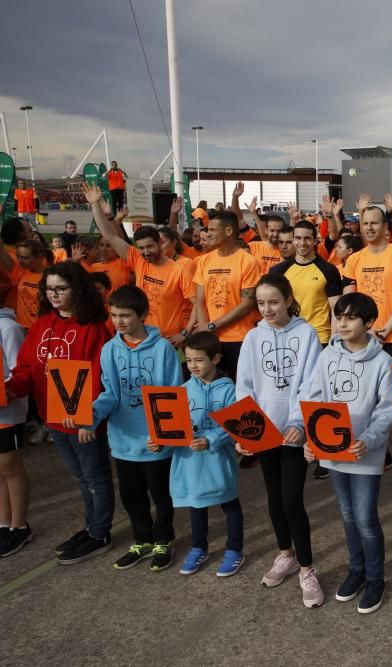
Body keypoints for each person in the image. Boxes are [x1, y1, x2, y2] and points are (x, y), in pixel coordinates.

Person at [6, 262, 114, 564]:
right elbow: (27, 366)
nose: (53, 294)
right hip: (52, 416)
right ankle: (91, 526)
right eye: (49, 289)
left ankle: (100, 532)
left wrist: (87, 418)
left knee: (95, 476)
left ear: (76, 290)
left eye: (61, 289)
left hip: (82, 421)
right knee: (80, 477)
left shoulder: (93, 328)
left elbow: (98, 376)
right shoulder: (42, 324)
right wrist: (11, 388)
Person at [71, 285, 183, 571]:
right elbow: (109, 393)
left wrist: (163, 434)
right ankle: (142, 540)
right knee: (132, 498)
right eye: (114, 315)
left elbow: (171, 394)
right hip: (123, 441)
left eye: (125, 315)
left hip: (154, 442)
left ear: (143, 315)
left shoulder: (163, 349)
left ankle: (164, 541)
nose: (119, 321)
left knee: (160, 496)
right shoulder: (109, 350)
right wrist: (90, 418)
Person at [303, 293, 392, 615]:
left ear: (368, 323)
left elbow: (386, 411)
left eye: (350, 317)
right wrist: (310, 439)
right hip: (332, 452)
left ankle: (375, 578)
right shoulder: (327, 357)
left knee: (366, 519)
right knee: (346, 516)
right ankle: (356, 570)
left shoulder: (383, 363)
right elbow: (314, 398)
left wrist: (370, 440)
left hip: (365, 455)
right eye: (338, 316)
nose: (342, 323)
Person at [237, 274, 324, 607]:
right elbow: (244, 386)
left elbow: (311, 382)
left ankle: (306, 568)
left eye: (273, 301)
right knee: (273, 497)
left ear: (288, 299)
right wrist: (244, 432)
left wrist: (299, 422)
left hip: (293, 432)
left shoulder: (306, 334)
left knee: (291, 500)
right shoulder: (252, 337)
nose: (267, 309)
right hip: (263, 430)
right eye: (260, 303)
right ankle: (284, 554)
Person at [154, 332, 244, 577]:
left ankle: (235, 549)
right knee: (196, 504)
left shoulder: (229, 390)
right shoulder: (182, 390)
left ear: (215, 359)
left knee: (229, 502)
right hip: (190, 460)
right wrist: (160, 442)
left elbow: (234, 425)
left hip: (218, 459)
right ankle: (198, 547)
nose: (193, 365)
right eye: (189, 360)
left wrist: (212, 439)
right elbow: (172, 426)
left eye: (199, 360)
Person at [340, 195, 392, 484]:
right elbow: (349, 299)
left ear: (386, 226)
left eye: (374, 223)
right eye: (364, 223)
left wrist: (382, 331)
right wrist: (357, 330)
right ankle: (376, 450)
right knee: (365, 399)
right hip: (362, 341)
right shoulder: (354, 260)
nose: (369, 228)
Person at [86, 183, 196, 346]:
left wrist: (185, 333)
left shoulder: (179, 270)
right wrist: (95, 204)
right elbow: (108, 235)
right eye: (141, 248)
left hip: (168, 341)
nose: (145, 252)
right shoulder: (138, 259)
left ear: (160, 243)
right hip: (141, 337)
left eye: (150, 246)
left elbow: (197, 304)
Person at [193, 210, 262, 377]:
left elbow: (246, 305)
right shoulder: (204, 261)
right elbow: (200, 299)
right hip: (211, 340)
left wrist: (212, 326)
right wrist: (204, 328)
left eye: (213, 230)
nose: (208, 234)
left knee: (238, 391)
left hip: (239, 339)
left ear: (229, 231)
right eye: (208, 230)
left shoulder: (248, 261)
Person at [268, 221, 343, 347]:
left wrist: (333, 342)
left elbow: (335, 309)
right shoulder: (278, 271)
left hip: (319, 337)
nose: (302, 243)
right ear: (293, 240)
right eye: (298, 238)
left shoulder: (329, 270)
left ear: (315, 241)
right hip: (287, 335)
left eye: (307, 238)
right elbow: (271, 306)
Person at [0, 304, 30, 556]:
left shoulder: (7, 327)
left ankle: (19, 526)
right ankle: (3, 522)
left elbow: (18, 369)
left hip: (7, 411)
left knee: (10, 466)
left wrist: (8, 391)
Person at [13, 240, 46, 329]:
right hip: (21, 326)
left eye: (25, 258)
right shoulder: (20, 271)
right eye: (18, 256)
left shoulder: (50, 276)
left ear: (39, 256)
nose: (20, 261)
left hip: (40, 327)